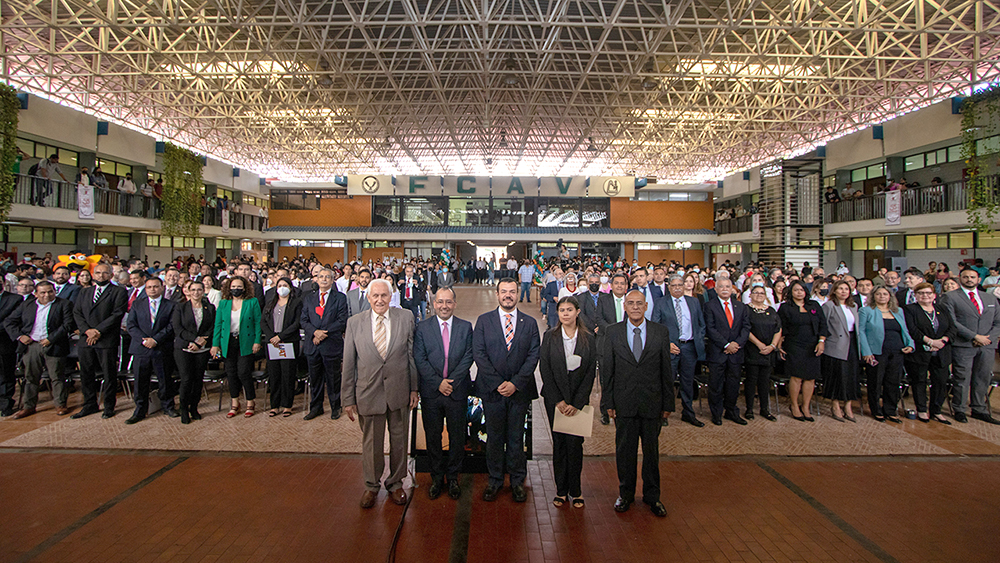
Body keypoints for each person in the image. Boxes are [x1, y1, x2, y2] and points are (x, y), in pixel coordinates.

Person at [342, 279, 418, 509]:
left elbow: (411, 355)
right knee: (371, 444)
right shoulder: (355, 323)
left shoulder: (405, 318)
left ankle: (395, 483)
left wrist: (414, 388)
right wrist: (347, 399)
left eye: (384, 295)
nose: (380, 300)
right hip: (368, 392)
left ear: (391, 295)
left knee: (399, 440)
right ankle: (371, 485)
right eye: (375, 296)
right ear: (368, 297)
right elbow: (348, 363)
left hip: (399, 390)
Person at [601, 289, 673, 517]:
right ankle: (626, 495)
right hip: (624, 403)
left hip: (652, 403)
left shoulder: (660, 332)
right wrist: (608, 401)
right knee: (625, 452)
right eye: (630, 303)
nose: (634, 307)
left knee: (652, 454)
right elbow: (607, 371)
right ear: (624, 306)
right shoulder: (612, 332)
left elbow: (666, 371)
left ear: (645, 306)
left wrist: (668, 404)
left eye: (639, 303)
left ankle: (653, 497)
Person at [472, 278, 540, 503]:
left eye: (512, 291)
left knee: (515, 438)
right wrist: (498, 383)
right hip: (492, 391)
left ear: (518, 294)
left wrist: (515, 383)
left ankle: (517, 481)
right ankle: (495, 480)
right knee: (494, 437)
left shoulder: (529, 323)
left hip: (519, 391)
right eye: (504, 292)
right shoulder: (484, 321)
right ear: (497, 294)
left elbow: (533, 355)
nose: (508, 295)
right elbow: (479, 353)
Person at [413, 287, 474, 500]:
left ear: (455, 304)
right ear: (434, 303)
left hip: (456, 392)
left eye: (448, 302)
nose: (444, 306)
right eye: (440, 302)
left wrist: (451, 383)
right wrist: (438, 383)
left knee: (457, 437)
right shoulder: (422, 328)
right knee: (433, 437)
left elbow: (469, 357)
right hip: (432, 393)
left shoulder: (466, 327)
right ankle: (437, 478)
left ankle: (453, 477)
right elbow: (419, 358)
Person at [539, 296, 596, 508]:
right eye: (561, 310)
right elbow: (545, 369)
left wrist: (577, 403)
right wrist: (558, 400)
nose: (565, 313)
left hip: (578, 401)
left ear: (577, 312)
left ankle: (576, 490)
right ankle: (561, 490)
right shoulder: (550, 336)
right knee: (560, 445)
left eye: (569, 310)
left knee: (575, 445)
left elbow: (590, 372)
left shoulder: (588, 338)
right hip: (556, 401)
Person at [4, 281, 73, 418]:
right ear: (35, 294)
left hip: (54, 344)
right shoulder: (26, 305)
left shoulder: (64, 304)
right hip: (32, 345)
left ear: (54, 292)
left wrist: (51, 339)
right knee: (31, 377)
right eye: (42, 292)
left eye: (50, 292)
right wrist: (20, 336)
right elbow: (9, 321)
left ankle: (60, 405)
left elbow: (67, 324)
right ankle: (29, 406)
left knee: (57, 376)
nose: (46, 295)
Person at [940, 268, 1000, 424]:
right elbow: (952, 322)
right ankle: (959, 409)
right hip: (963, 344)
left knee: (983, 377)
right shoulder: (950, 297)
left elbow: (998, 322)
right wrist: (974, 336)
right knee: (962, 378)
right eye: (965, 277)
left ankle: (979, 409)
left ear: (979, 279)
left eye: (972, 277)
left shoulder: (990, 298)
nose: (969, 279)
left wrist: (987, 339)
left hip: (987, 345)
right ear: (960, 278)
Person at [72, 263, 128, 419]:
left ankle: (109, 406)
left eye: (104, 273)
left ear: (111, 275)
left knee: (109, 375)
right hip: (86, 339)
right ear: (93, 275)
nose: (101, 276)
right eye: (97, 273)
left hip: (106, 339)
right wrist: (87, 331)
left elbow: (117, 314)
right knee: (86, 374)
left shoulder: (119, 291)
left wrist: (98, 331)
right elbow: (77, 313)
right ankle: (89, 404)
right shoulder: (85, 292)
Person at [651, 274, 706, 427]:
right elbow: (656, 326)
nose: (677, 288)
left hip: (689, 347)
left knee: (687, 382)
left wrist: (697, 338)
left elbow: (701, 325)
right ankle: (664, 413)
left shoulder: (694, 302)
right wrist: (666, 343)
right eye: (673, 285)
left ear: (684, 286)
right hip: (671, 348)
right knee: (667, 381)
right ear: (669, 287)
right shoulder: (661, 303)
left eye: (679, 285)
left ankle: (688, 413)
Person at [124, 277, 177, 424]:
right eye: (149, 287)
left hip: (162, 347)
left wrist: (156, 340)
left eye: (155, 286)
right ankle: (140, 410)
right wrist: (145, 340)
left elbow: (172, 326)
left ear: (162, 288)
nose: (152, 289)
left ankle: (168, 407)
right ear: (145, 289)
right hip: (141, 348)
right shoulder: (137, 304)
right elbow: (131, 325)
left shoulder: (171, 305)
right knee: (140, 381)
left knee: (165, 379)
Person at [858, 286, 914, 423]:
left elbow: (905, 330)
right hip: (876, 352)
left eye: (885, 294)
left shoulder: (898, 311)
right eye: (878, 294)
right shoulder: (866, 311)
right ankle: (876, 409)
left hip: (897, 351)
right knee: (875, 382)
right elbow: (861, 332)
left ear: (890, 296)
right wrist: (866, 352)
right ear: (873, 296)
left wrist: (911, 344)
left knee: (893, 382)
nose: (882, 296)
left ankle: (890, 410)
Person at [210, 275, 262, 418]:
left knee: (244, 372)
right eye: (233, 287)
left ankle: (250, 402)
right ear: (229, 288)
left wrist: (257, 341)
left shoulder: (252, 302)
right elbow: (218, 325)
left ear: (244, 288)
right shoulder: (224, 303)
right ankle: (235, 403)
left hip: (246, 341)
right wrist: (215, 344)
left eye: (239, 287)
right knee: (231, 373)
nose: (236, 289)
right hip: (228, 342)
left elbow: (258, 323)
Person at [903, 282, 955, 424]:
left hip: (941, 351)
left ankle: (936, 411)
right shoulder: (910, 309)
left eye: (928, 293)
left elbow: (952, 327)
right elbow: (912, 330)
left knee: (940, 382)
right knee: (919, 381)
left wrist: (942, 341)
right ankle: (922, 410)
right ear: (915, 295)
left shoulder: (942, 308)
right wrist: (930, 342)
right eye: (921, 293)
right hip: (920, 352)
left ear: (934, 295)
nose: (925, 296)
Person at [301, 268, 349, 420]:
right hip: (313, 344)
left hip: (331, 344)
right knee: (315, 379)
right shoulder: (309, 298)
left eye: (327, 277)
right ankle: (316, 408)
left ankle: (335, 407)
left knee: (333, 378)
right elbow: (303, 320)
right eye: (321, 277)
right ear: (316, 279)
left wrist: (322, 334)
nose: (323, 279)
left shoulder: (340, 298)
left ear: (332, 280)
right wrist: (315, 332)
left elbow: (342, 321)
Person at [778, 280, 828, 422]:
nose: (799, 292)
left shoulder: (814, 305)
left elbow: (823, 325)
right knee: (796, 376)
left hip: (812, 344)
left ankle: (805, 406)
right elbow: (780, 327)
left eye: (801, 290)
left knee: (810, 377)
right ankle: (794, 405)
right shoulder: (785, 307)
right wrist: (780, 343)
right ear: (790, 292)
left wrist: (821, 341)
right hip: (794, 344)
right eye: (796, 290)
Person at [704, 278, 751, 425]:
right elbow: (710, 329)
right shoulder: (709, 306)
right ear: (716, 289)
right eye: (721, 287)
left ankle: (731, 411)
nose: (724, 289)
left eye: (727, 287)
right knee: (716, 385)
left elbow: (746, 328)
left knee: (733, 384)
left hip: (736, 352)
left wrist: (736, 344)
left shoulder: (741, 306)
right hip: (718, 352)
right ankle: (716, 413)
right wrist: (725, 345)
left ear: (733, 289)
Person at [172, 280, 215, 424]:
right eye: (193, 290)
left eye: (199, 290)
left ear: (203, 291)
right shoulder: (180, 307)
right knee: (186, 379)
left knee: (198, 380)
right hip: (184, 347)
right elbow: (178, 328)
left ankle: (194, 408)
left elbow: (212, 326)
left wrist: (204, 340)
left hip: (202, 349)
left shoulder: (210, 307)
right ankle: (184, 409)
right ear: (188, 291)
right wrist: (195, 340)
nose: (196, 292)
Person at [261, 277, 303, 418]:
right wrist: (272, 336)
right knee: (274, 375)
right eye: (280, 285)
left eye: (285, 285)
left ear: (290, 288)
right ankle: (275, 405)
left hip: (288, 341)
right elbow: (263, 322)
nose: (282, 287)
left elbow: (297, 323)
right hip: (272, 342)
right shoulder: (270, 303)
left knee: (288, 374)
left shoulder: (296, 303)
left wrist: (281, 337)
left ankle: (287, 405)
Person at [821, 281, 860, 422]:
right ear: (834, 291)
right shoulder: (829, 305)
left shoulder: (854, 306)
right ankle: (836, 405)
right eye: (840, 289)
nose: (844, 291)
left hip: (852, 344)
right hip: (835, 344)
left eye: (846, 289)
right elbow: (823, 325)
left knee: (851, 375)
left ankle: (848, 405)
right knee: (838, 375)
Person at [744, 285, 781, 421]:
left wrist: (772, 346)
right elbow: (745, 328)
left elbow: (778, 329)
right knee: (751, 380)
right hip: (753, 349)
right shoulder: (746, 310)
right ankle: (749, 409)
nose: (759, 295)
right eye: (756, 293)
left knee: (765, 381)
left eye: (762, 293)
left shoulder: (771, 310)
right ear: (750, 295)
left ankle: (764, 409)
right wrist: (759, 344)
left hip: (768, 351)